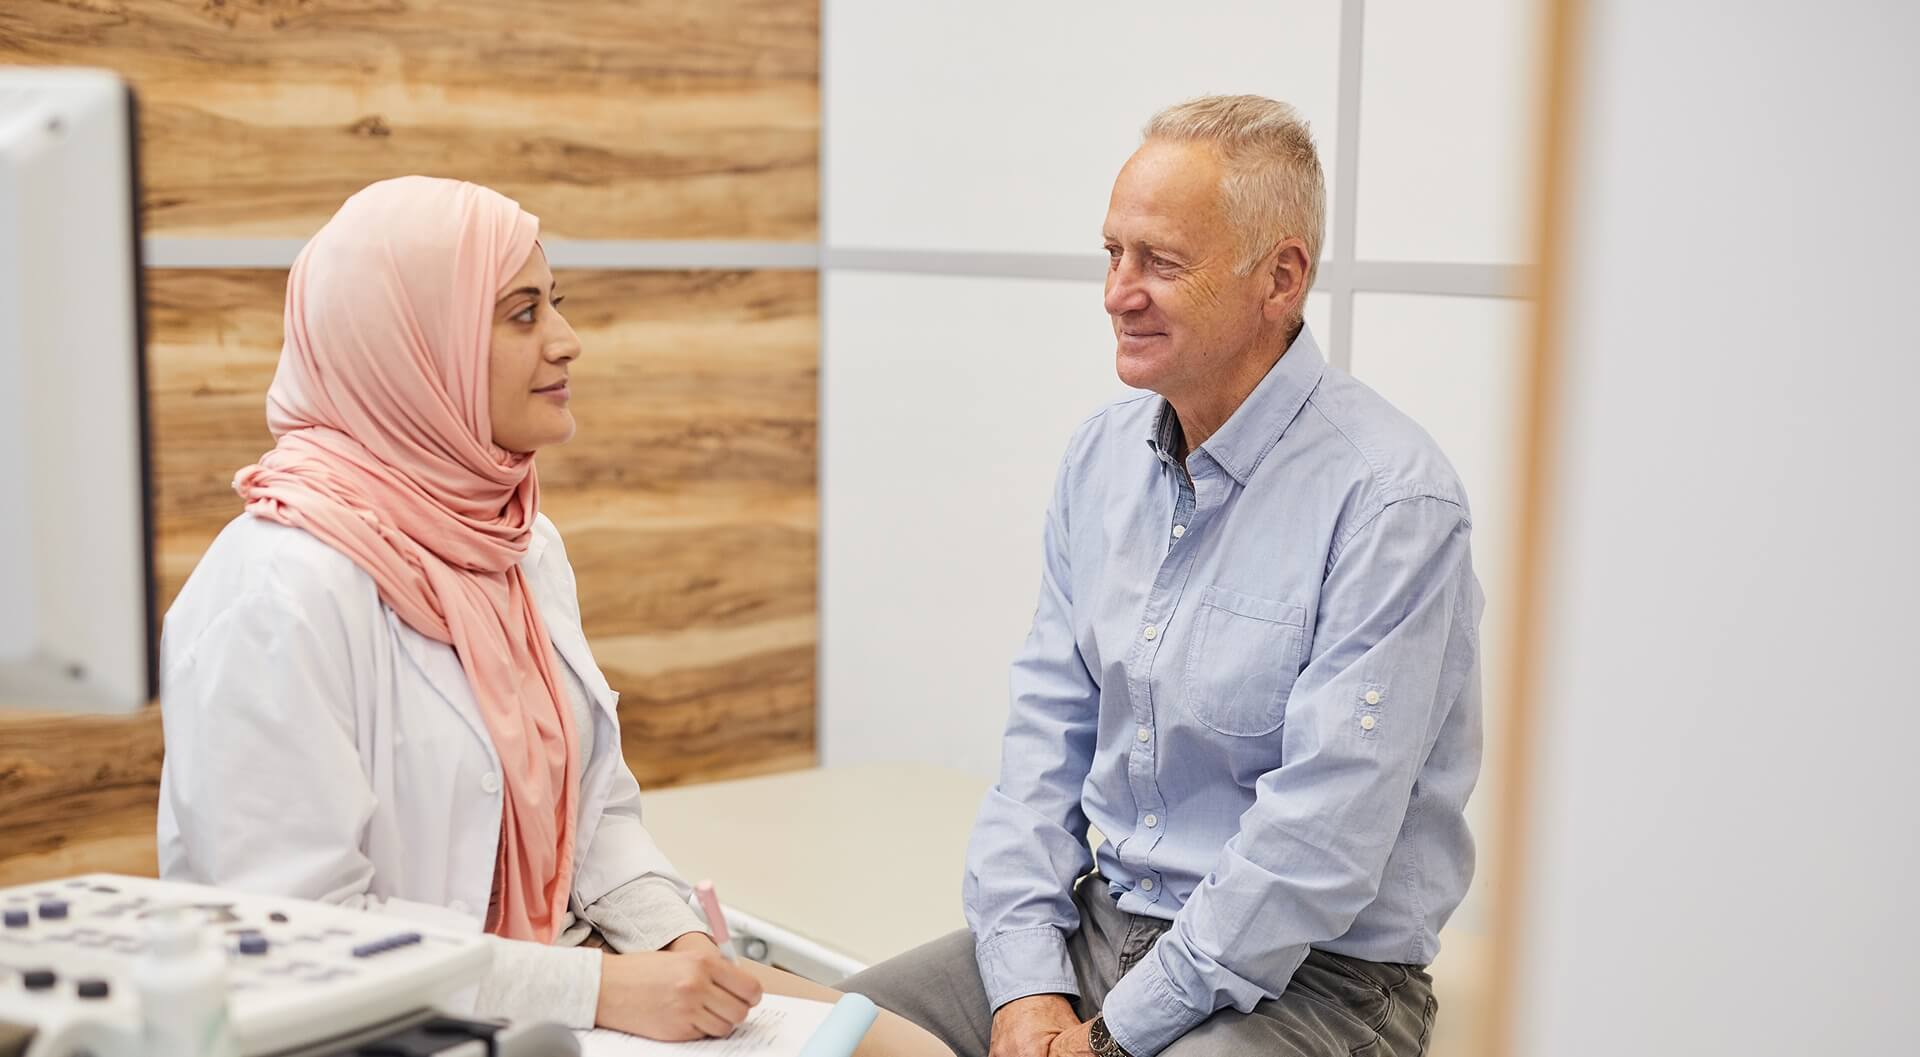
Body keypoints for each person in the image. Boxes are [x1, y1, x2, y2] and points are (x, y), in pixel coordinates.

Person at [155, 175, 950, 1056]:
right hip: (392, 1027)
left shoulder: (517, 541)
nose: (568, 341)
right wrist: (601, 988)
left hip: (567, 979)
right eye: (522, 314)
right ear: (417, 347)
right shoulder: (274, 594)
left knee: (914, 1051)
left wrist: (677, 939)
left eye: (554, 304)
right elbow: (299, 937)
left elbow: (596, 813)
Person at [842, 96, 1484, 1057]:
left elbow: (1316, 843)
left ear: (1280, 279)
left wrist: (1111, 1037)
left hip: (1314, 980)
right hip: (1104, 927)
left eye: (1161, 262)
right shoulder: (1098, 460)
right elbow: (1041, 753)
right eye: (1113, 253)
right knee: (813, 1035)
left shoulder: (1393, 501)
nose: (1118, 292)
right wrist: (1026, 987)